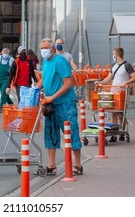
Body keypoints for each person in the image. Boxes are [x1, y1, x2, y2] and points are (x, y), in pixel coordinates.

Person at [37, 38, 83, 176]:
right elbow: (44, 78)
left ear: (52, 48)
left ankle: (78, 164)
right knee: (50, 132)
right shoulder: (46, 61)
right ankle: (51, 164)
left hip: (64, 103)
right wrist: (34, 88)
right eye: (41, 48)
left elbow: (68, 83)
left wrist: (53, 96)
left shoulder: (61, 61)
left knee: (71, 132)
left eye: (45, 47)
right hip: (50, 103)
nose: (43, 50)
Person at [95, 47, 135, 141]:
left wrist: (126, 83)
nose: (113, 56)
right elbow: (109, 78)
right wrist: (100, 83)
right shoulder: (113, 66)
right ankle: (114, 133)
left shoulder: (127, 65)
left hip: (122, 92)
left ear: (117, 55)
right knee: (113, 113)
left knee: (120, 113)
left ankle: (122, 132)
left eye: (114, 54)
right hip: (113, 92)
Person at [0, 48, 14, 113]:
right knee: (4, 93)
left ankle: (1, 107)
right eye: (4, 52)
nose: (5, 54)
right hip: (0, 78)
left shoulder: (11, 59)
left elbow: (14, 68)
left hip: (7, 78)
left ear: (9, 53)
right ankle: (11, 104)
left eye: (6, 53)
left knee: (3, 92)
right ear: (2, 52)